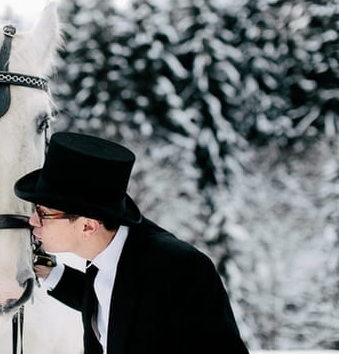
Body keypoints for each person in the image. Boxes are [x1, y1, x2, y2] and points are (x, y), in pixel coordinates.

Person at [14, 131, 249, 354]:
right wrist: (50, 272)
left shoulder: (181, 269)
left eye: (44, 213)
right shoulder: (109, 253)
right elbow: (116, 301)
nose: (33, 220)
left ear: (87, 226)